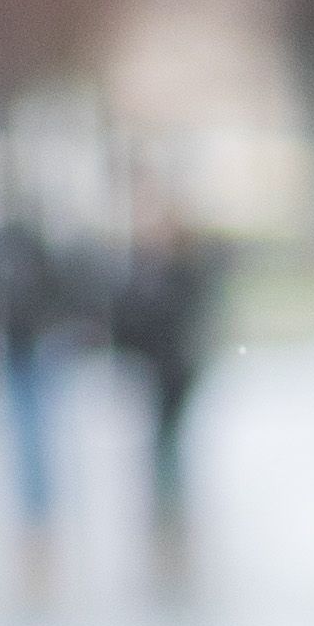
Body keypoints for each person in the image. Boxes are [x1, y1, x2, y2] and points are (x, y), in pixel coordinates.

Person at [0, 184, 71, 584]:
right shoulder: (12, 250)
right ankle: (34, 507)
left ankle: (37, 508)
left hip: (28, 348)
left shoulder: (11, 250)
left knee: (32, 432)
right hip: (20, 349)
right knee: (30, 433)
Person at [105, 197, 222, 568]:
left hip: (177, 370)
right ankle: (163, 509)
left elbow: (189, 316)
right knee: (159, 443)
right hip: (154, 369)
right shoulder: (143, 269)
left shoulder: (184, 270)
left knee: (169, 443)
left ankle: (172, 510)